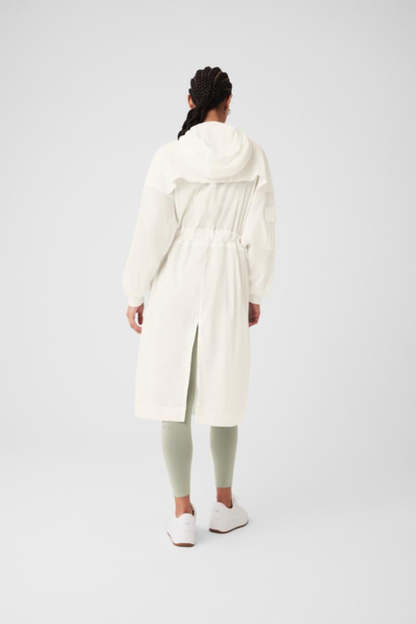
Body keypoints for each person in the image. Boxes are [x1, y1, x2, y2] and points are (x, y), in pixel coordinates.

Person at [123, 66, 276, 547]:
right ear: (228, 103)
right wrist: (255, 291)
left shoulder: (170, 156)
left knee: (174, 391)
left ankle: (182, 513)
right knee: (224, 386)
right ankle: (225, 506)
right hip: (228, 278)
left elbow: (151, 230)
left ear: (191, 101)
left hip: (176, 278)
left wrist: (135, 291)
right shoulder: (253, 155)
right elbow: (262, 232)